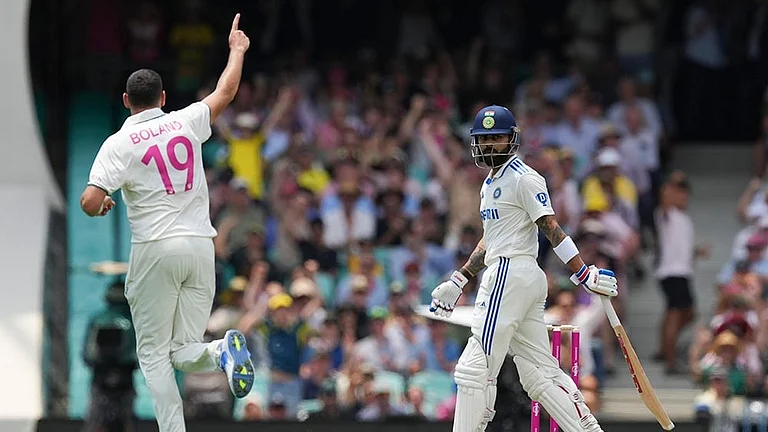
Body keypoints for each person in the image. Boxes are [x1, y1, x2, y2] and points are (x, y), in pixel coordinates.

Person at [79, 14, 254, 432]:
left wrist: (102, 207)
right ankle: (220, 353)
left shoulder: (118, 143)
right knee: (184, 351)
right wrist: (237, 50)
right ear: (162, 98)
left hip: (156, 249)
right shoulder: (186, 120)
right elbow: (226, 91)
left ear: (126, 100)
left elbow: (89, 199)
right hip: (200, 248)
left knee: (154, 356)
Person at [428, 105, 618, 432]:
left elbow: (551, 228)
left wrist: (583, 274)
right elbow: (491, 239)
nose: (490, 145)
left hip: (509, 273)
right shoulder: (489, 184)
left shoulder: (524, 178)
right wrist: (460, 278)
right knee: (538, 372)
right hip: (517, 276)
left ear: (512, 139)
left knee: (474, 367)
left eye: (497, 138)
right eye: (484, 139)